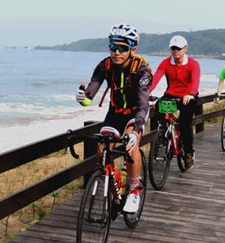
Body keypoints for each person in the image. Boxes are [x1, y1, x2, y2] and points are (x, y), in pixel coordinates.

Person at [76, 23, 152, 213]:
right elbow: (91, 93)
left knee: (130, 144)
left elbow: (144, 104)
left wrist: (136, 132)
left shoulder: (141, 70)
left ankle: (134, 189)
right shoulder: (105, 65)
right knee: (102, 150)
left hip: (136, 113)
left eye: (123, 48)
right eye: (113, 47)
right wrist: (83, 98)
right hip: (115, 112)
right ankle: (114, 181)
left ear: (132, 49)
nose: (117, 52)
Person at [149, 35, 201, 170]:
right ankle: (162, 136)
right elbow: (156, 78)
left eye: (178, 48)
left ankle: (188, 153)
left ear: (185, 48)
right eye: (173, 48)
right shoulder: (166, 63)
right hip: (171, 94)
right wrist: (146, 92)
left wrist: (191, 94)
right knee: (158, 106)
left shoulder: (193, 64)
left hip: (188, 97)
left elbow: (195, 82)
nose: (176, 51)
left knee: (184, 125)